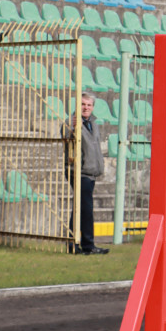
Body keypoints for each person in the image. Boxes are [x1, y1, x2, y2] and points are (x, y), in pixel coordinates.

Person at [64, 93, 109, 255]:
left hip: (90, 172)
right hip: (78, 171)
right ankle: (85, 244)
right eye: (83, 104)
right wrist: (71, 128)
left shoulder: (93, 123)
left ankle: (78, 244)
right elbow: (66, 136)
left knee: (81, 208)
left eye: (89, 105)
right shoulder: (72, 121)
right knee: (84, 208)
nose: (86, 107)